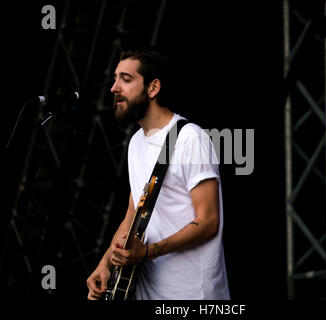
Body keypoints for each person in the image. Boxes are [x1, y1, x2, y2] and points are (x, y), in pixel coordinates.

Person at [86, 48, 230, 300]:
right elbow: (133, 214)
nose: (114, 88)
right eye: (115, 79)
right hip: (148, 292)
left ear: (153, 88)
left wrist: (148, 252)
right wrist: (105, 263)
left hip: (192, 294)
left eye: (126, 79)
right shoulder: (136, 143)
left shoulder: (189, 138)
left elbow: (208, 222)